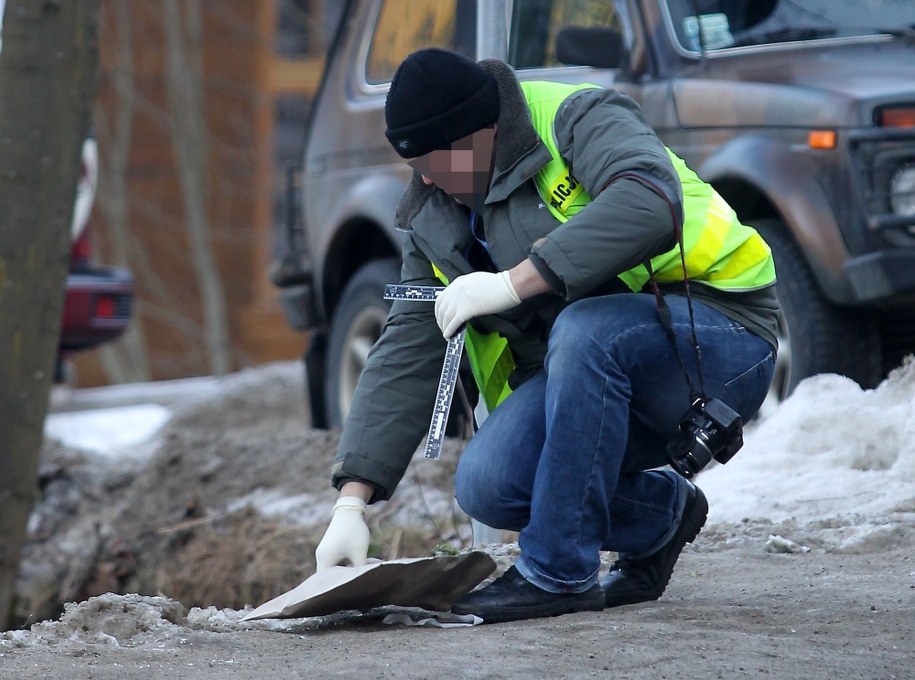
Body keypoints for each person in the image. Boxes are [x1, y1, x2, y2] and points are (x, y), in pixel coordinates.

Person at [314, 47, 779, 623]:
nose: (426, 176)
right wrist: (351, 503)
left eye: (438, 158)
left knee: (588, 330)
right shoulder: (431, 216)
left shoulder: (576, 118)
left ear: (484, 133)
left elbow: (649, 200)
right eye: (415, 163)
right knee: (490, 484)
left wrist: (514, 283)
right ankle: (662, 516)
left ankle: (559, 575)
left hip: (719, 338)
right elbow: (408, 347)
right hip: (594, 372)